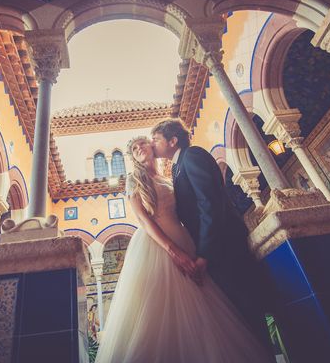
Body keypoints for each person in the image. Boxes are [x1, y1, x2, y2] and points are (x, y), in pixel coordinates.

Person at [94, 135, 272, 363]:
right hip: (157, 246)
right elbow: (145, 221)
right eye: (133, 148)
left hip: (185, 240)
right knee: (158, 311)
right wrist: (173, 251)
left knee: (202, 303)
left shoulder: (168, 176)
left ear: (151, 147)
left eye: (141, 143)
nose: (137, 148)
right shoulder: (134, 180)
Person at [151, 118, 272, 352]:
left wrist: (205, 253)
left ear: (173, 141)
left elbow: (210, 205)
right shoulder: (177, 165)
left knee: (247, 310)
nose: (152, 144)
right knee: (236, 315)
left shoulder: (192, 155)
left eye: (156, 139)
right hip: (216, 248)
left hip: (225, 248)